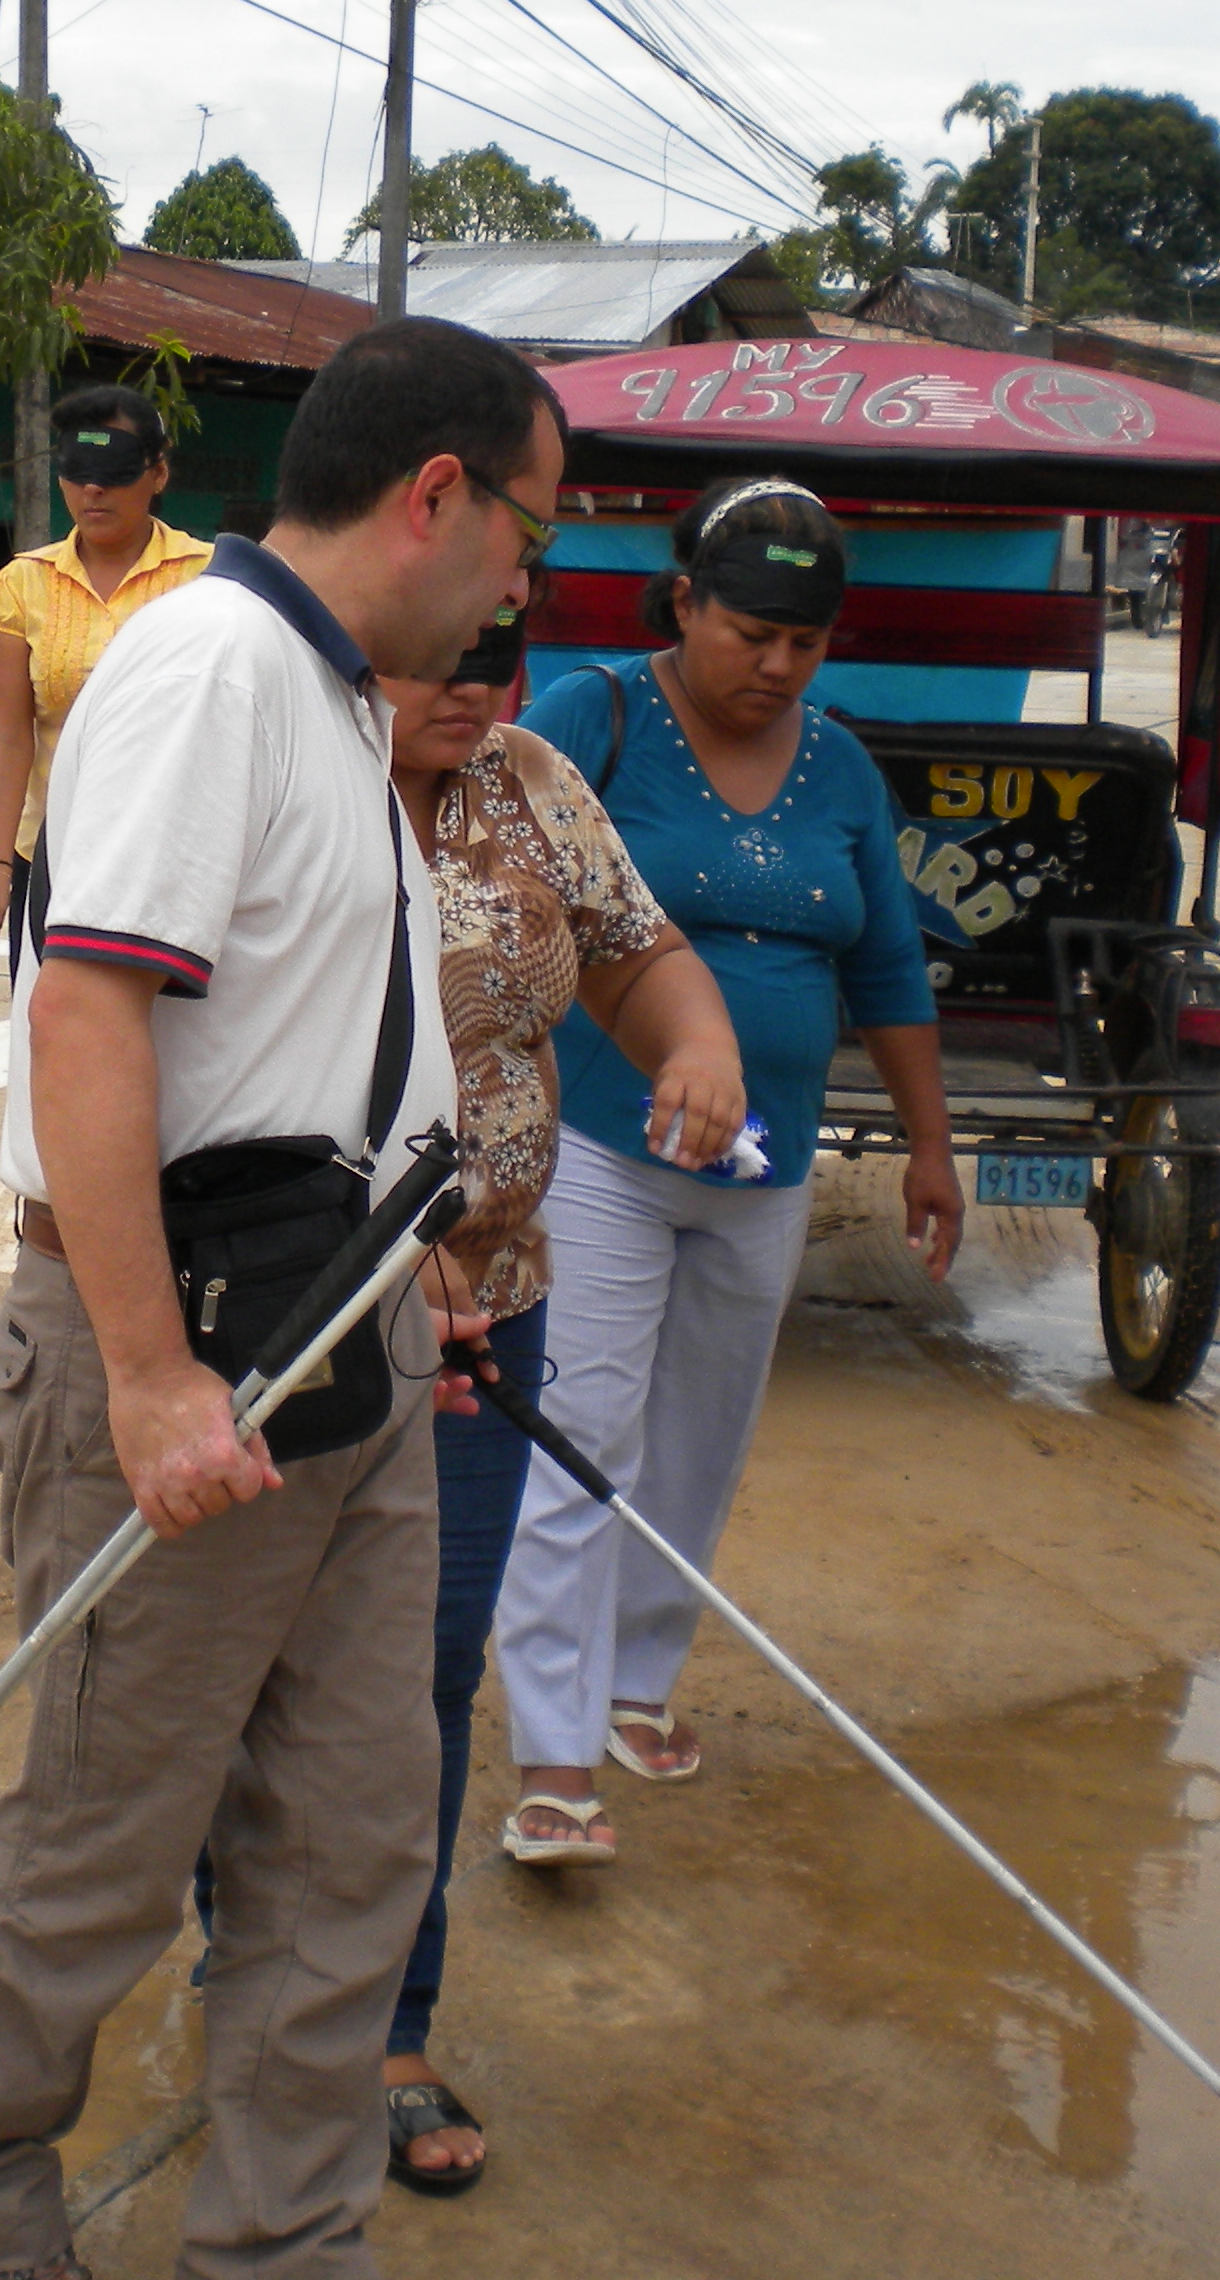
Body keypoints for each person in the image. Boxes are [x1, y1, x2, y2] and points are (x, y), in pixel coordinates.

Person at [0, 316, 558, 2280]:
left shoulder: (345, 691)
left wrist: (414, 1281)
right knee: (101, 1850)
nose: (529, 581)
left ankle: (277, 2247)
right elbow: (88, 1009)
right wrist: (157, 1379)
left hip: (338, 1353)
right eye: (528, 528)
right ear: (438, 495)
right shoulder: (210, 670)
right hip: (175, 1362)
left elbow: (305, 1033)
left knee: (348, 1853)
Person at [490, 478, 964, 1868]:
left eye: (803, 643)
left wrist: (929, 1144)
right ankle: (553, 1750)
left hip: (769, 1172)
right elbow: (504, 896)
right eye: (749, 630)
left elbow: (885, 965)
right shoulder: (597, 719)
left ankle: (639, 1681)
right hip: (601, 1152)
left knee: (698, 1448)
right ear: (683, 600)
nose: (774, 663)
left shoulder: (842, 769)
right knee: (580, 1438)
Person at [369, 605, 746, 2200]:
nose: (476, 686)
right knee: (259, 1674)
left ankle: (387, 2024)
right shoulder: (283, 773)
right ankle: (242, 1968)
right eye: (441, 654)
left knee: (426, 1667)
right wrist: (385, 1270)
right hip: (306, 1318)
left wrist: (697, 1038)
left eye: (502, 653)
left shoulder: (527, 784)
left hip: (492, 1320)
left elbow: (633, 949)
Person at [0, 384, 214, 961]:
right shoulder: (18, 586)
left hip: (176, 858)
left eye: (116, 469)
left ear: (159, 474)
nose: (94, 488)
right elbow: (5, 734)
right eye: (77, 470)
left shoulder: (212, 578)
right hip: (51, 855)